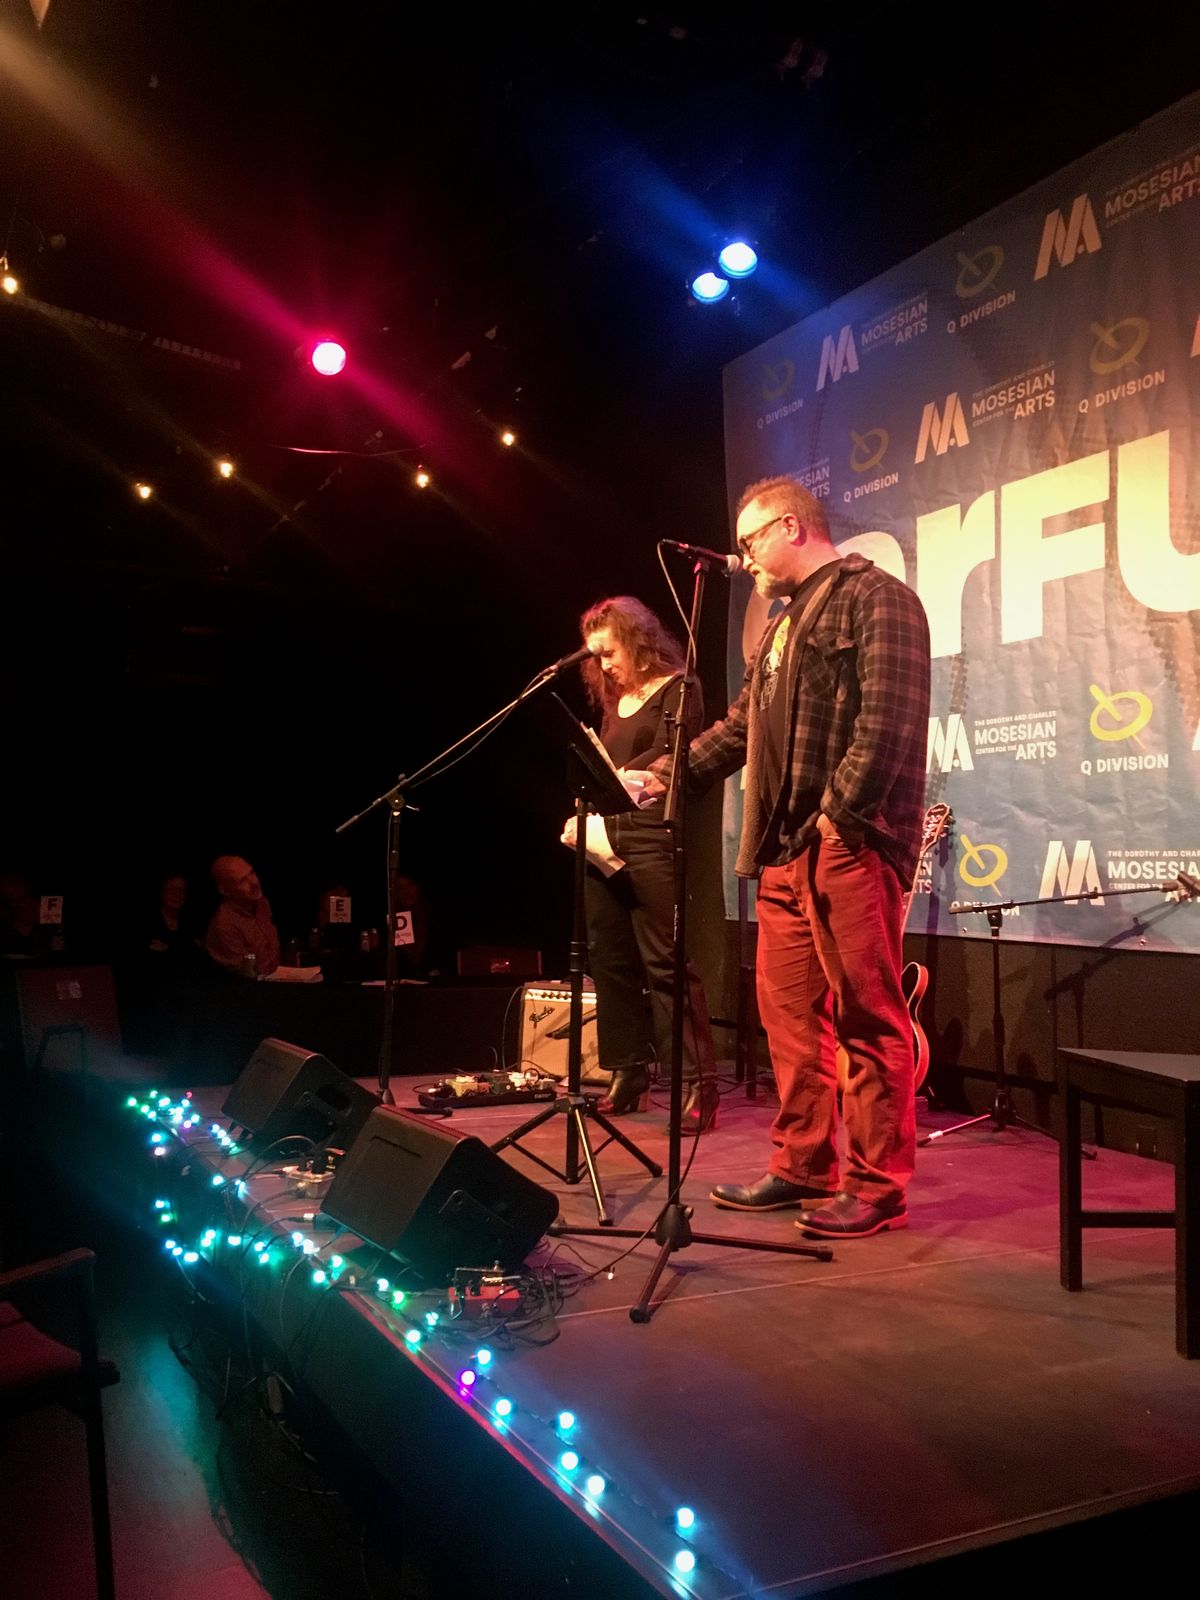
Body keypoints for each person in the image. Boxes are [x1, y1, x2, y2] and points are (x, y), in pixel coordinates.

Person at [633, 476, 930, 1235]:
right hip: (783, 853)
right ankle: (803, 1165)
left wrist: (838, 819)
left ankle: (876, 1187)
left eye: (750, 539)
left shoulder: (877, 597)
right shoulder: (781, 624)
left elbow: (888, 722)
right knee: (792, 1022)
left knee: (867, 1017)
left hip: (848, 844)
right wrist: (665, 774)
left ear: (791, 527)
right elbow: (741, 728)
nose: (744, 557)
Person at [571, 596, 719, 1132]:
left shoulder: (679, 689)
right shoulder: (616, 703)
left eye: (610, 652)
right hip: (605, 834)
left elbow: (669, 758)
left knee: (665, 962)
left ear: (637, 641)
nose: (605, 665)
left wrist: (612, 780)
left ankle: (699, 1082)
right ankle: (628, 1071)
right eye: (597, 657)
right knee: (609, 957)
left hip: (652, 834)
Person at [204, 854, 280, 977]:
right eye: (243, 880)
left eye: (252, 872)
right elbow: (244, 977)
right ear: (225, 891)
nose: (254, 882)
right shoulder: (224, 924)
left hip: (275, 977)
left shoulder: (261, 903)